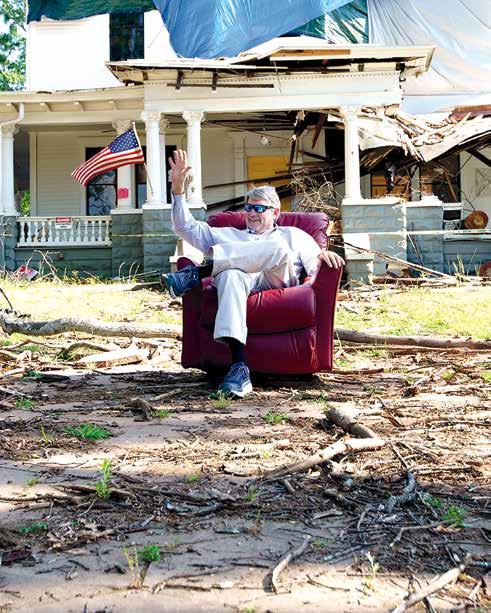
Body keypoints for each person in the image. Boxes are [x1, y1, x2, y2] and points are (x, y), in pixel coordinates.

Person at [161, 149, 344, 398]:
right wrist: (178, 189)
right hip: (239, 285)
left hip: (276, 281)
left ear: (275, 213)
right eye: (248, 208)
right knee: (230, 275)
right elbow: (185, 227)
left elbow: (314, 266)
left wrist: (325, 257)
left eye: (259, 208)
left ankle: (198, 272)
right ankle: (239, 367)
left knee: (277, 247)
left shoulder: (293, 235)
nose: (252, 213)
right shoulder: (228, 234)